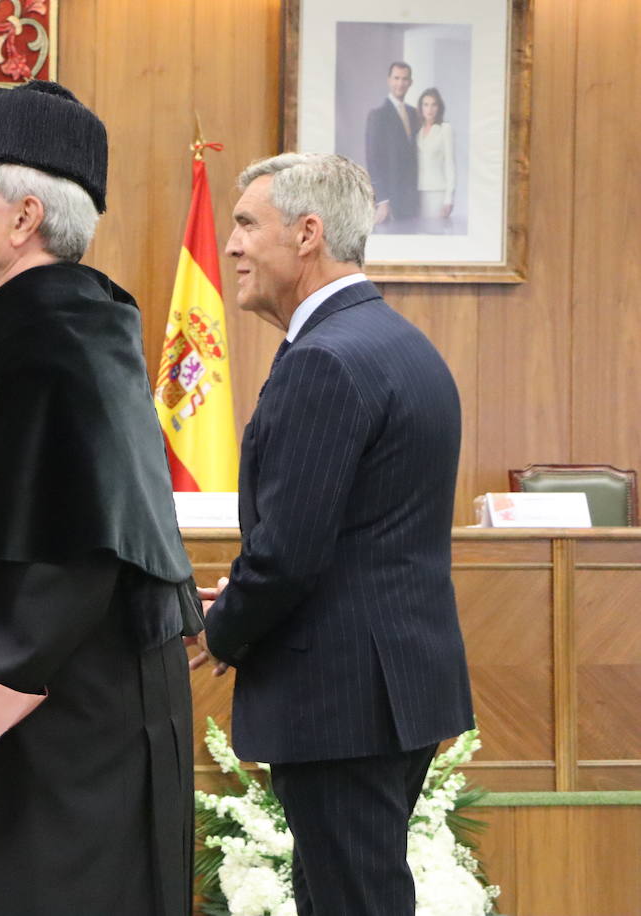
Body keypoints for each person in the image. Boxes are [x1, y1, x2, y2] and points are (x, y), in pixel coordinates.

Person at [0, 80, 201, 916]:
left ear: (25, 217)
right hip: (52, 736)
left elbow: (55, 581)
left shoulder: (45, 341)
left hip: (55, 756)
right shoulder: (57, 325)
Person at [191, 152, 474, 916]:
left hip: (342, 699)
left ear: (308, 233)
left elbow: (287, 555)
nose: (233, 245)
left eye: (249, 223)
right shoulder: (397, 343)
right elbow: (358, 534)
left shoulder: (325, 358)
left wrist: (223, 629)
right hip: (385, 688)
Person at [364, 61, 419, 230]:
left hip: (412, 200)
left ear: (410, 82)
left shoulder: (414, 113)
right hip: (389, 202)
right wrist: (383, 200)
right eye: (396, 78)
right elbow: (372, 159)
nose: (400, 83)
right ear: (389, 80)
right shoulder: (377, 115)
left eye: (404, 79)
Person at [415, 88, 455, 227]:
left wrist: (448, 199)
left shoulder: (445, 129)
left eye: (434, 104)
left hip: (437, 191)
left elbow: (450, 164)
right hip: (417, 192)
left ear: (439, 107)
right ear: (421, 107)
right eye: (426, 104)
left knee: (435, 231)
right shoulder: (417, 131)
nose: (429, 109)